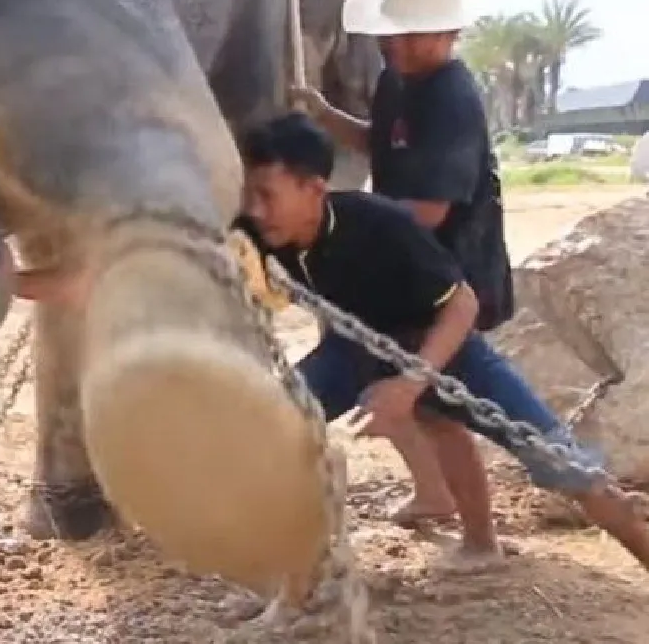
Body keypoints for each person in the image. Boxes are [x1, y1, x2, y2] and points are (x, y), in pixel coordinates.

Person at [235, 112, 649, 570]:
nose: (254, 210)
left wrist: (410, 384)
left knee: (564, 467)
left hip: (442, 345)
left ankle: (508, 541)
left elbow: (462, 306)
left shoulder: (381, 226)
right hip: (354, 349)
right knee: (273, 426)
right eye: (248, 195)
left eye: (266, 196)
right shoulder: (262, 233)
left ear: (313, 190)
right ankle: (292, 574)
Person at [290, 0, 513, 526]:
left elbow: (429, 212)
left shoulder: (451, 100)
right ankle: (433, 496)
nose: (402, 47)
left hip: (443, 276)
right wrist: (326, 116)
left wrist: (339, 228)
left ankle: (481, 537)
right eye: (394, 35)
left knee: (439, 408)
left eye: (417, 37)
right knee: (389, 383)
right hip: (398, 266)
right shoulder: (398, 80)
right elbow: (381, 145)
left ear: (451, 33)